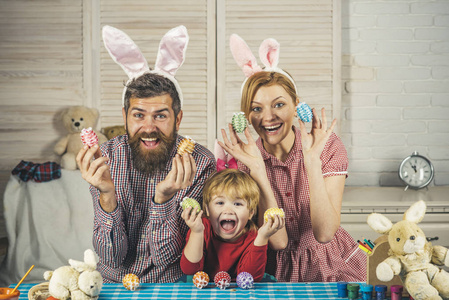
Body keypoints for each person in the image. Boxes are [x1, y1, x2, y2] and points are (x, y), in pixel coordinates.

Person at [221, 34, 367, 282]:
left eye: (279, 105)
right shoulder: (245, 162)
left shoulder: (328, 146)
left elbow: (324, 232)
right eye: (257, 109)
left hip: (333, 263)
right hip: (277, 271)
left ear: (295, 104)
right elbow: (278, 242)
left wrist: (311, 160)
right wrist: (257, 169)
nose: (268, 117)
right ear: (246, 115)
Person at [76, 25, 216, 283]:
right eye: (139, 115)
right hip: (112, 283)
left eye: (160, 115)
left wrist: (163, 199)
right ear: (125, 117)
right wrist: (107, 194)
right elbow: (111, 258)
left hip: (168, 284)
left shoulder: (201, 162)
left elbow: (168, 258)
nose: (149, 128)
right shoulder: (106, 157)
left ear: (178, 118)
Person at [180, 168, 285, 281]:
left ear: (250, 213)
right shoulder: (201, 227)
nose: (228, 210)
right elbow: (189, 269)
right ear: (207, 210)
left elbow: (250, 277)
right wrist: (196, 232)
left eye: (237, 204)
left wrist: (263, 237)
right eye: (220, 202)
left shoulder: (253, 236)